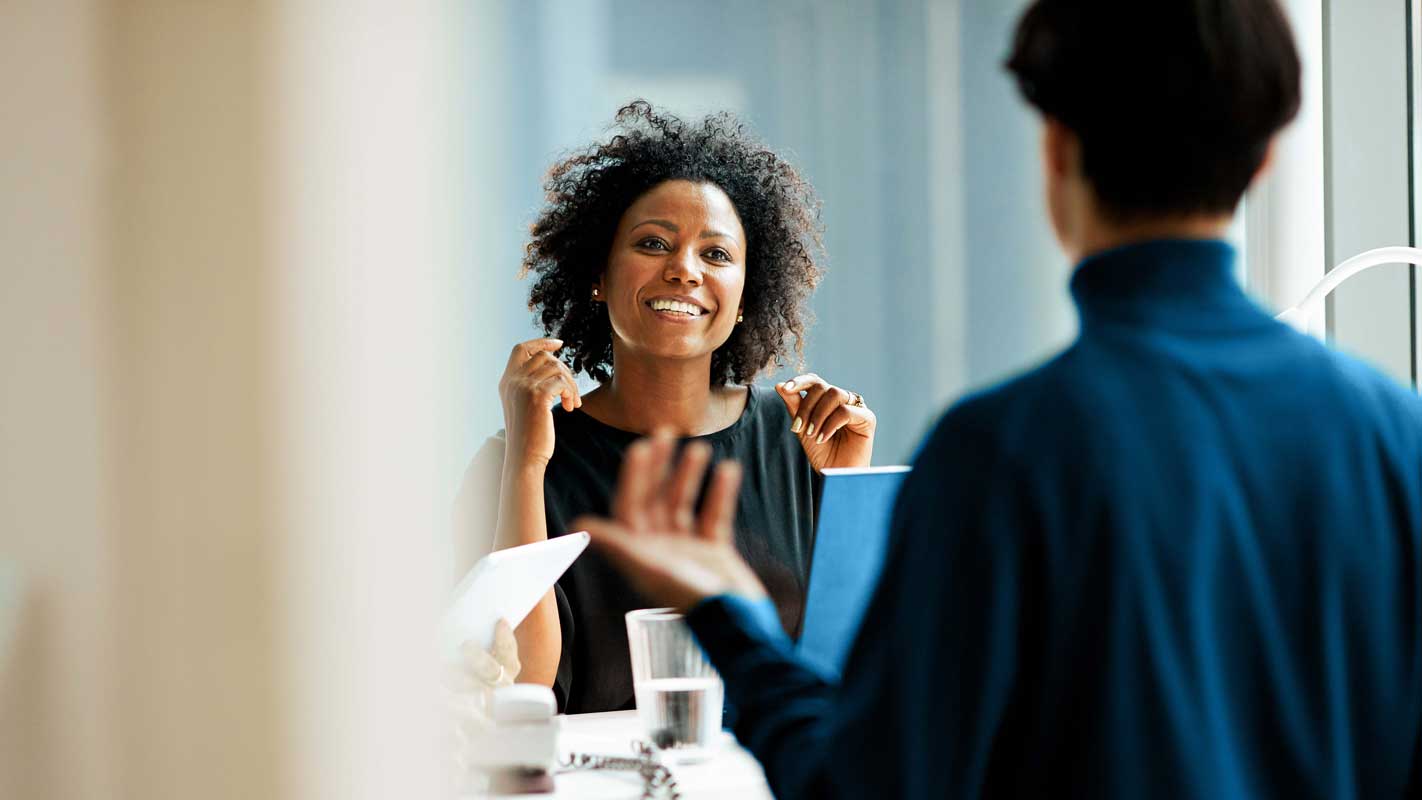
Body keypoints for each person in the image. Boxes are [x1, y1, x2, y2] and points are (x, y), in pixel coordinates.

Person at [574, 1, 1422, 797]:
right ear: (1265, 157)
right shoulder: (1397, 438)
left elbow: (865, 785)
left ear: (1054, 148)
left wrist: (728, 616)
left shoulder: (1004, 452)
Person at [455, 101, 877, 714]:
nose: (684, 270)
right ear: (598, 274)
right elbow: (525, 692)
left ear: (743, 297)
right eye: (654, 243)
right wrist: (525, 466)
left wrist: (847, 490)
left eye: (716, 254)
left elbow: (855, 675)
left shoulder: (801, 440)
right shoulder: (519, 456)